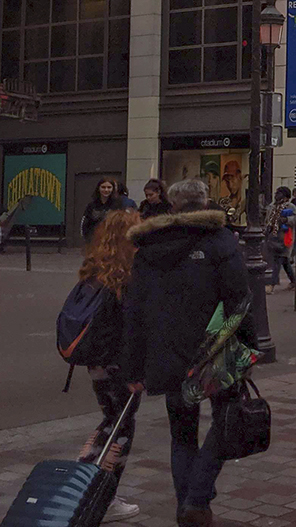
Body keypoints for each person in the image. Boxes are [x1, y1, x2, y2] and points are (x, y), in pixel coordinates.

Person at [121, 178, 256, 527]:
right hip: (215, 349)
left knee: (182, 433)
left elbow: (134, 310)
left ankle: (189, 508)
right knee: (225, 419)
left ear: (172, 206)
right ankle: (197, 497)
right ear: (205, 202)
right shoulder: (219, 240)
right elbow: (239, 299)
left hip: (167, 350)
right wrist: (248, 347)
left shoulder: (150, 245)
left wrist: (133, 365)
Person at [76, 209, 145, 523]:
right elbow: (130, 329)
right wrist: (136, 370)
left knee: (111, 420)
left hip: (97, 361)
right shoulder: (126, 277)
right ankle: (102, 496)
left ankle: (85, 483)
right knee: (120, 427)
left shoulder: (96, 269)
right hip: (120, 364)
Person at [263, 187, 296, 289]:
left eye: (279, 193)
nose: (276, 195)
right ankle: (294, 281)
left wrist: (286, 220)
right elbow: (267, 219)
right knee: (284, 261)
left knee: (278, 260)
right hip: (273, 236)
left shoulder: (290, 207)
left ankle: (271, 284)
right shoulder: (272, 206)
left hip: (284, 237)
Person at [82, 178, 125, 243]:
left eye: (109, 187)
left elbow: (122, 224)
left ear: (113, 189)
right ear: (98, 188)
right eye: (103, 187)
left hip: (113, 241)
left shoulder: (118, 204)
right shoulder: (91, 205)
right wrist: (88, 239)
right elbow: (85, 224)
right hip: (94, 240)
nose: (106, 190)